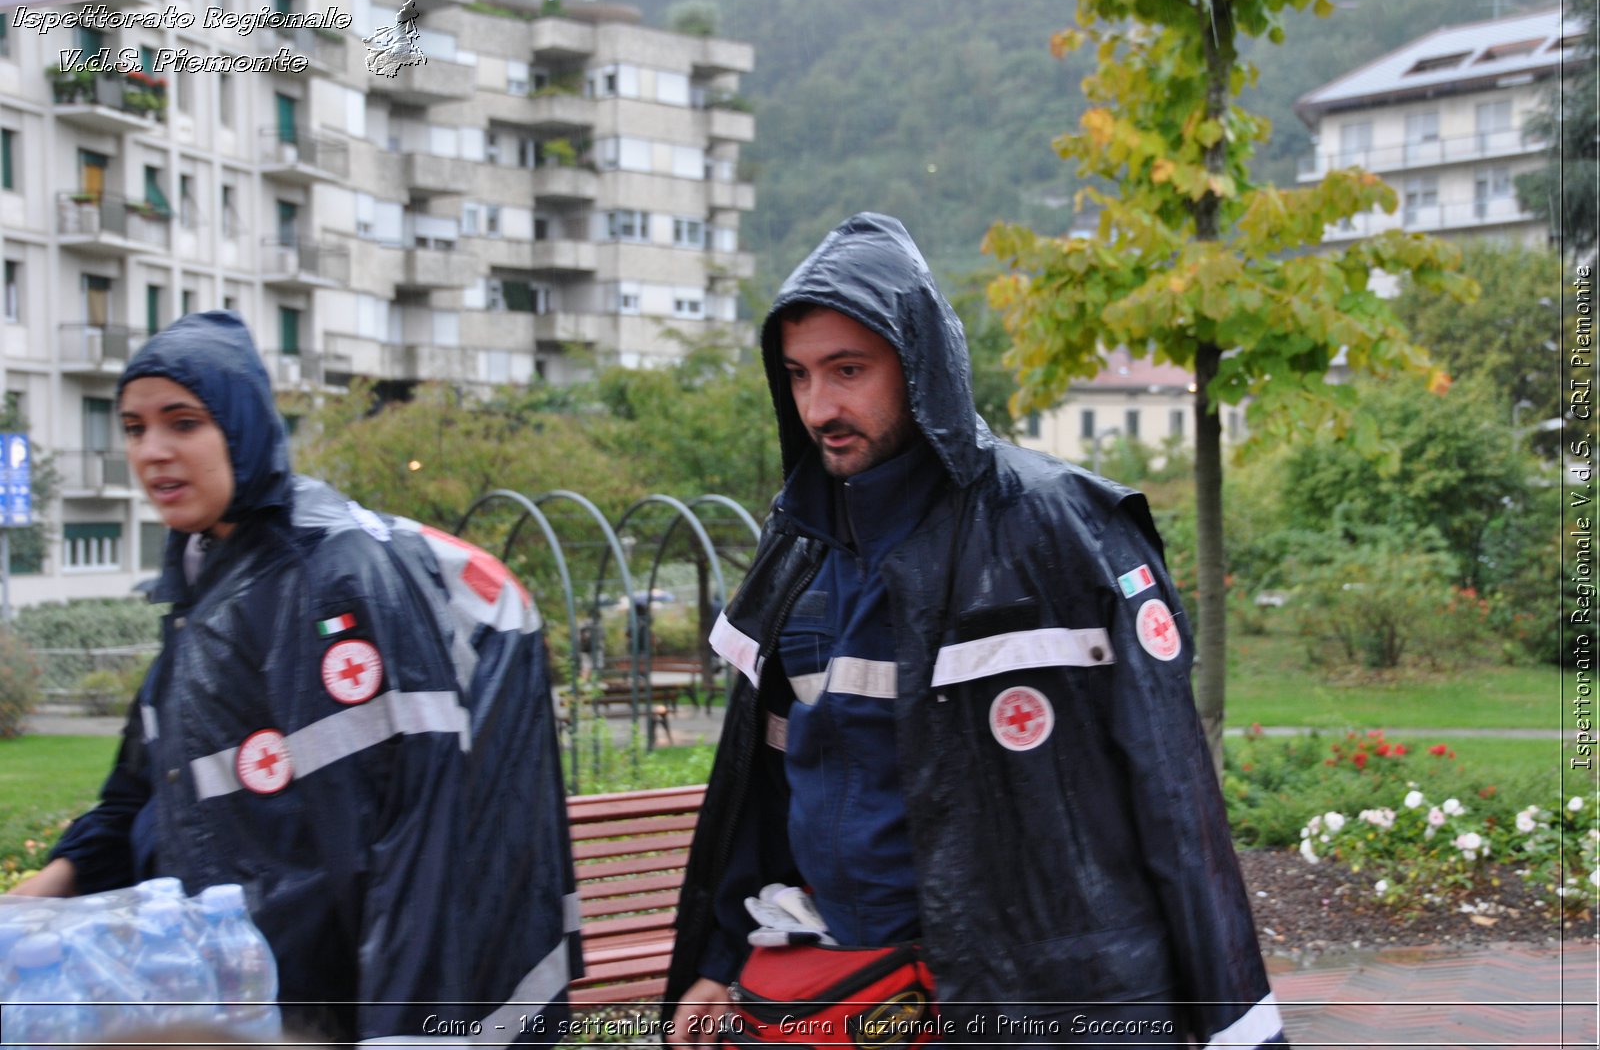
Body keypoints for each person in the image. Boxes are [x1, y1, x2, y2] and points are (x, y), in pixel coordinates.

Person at [663, 214, 1285, 1047]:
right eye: (800, 375)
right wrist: (718, 952)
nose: (820, 406)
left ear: (920, 365)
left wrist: (1236, 1030)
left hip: (1049, 1001)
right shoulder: (801, 550)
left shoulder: (1062, 529)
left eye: (849, 370)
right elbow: (764, 789)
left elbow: (1174, 802)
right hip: (851, 998)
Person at [11, 312, 579, 1043]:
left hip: (323, 1005)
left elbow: (410, 837)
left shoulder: (329, 575)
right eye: (132, 427)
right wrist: (38, 895)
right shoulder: (197, 580)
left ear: (241, 426)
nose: (152, 451)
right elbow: (143, 790)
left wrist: (404, 1031)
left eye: (182, 422)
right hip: (234, 991)